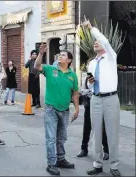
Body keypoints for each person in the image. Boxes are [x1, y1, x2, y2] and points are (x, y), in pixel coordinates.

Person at [83, 19, 121, 177]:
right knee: (95, 133)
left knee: (112, 133)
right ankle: (97, 164)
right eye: (94, 42)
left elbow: (104, 40)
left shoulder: (111, 57)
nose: (96, 43)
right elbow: (91, 84)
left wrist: (91, 29)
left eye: (98, 42)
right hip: (96, 99)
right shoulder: (91, 63)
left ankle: (114, 165)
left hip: (111, 99)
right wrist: (90, 84)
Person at [34, 44, 79, 175]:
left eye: (63, 55)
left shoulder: (73, 75)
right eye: (60, 55)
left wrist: (76, 109)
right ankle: (51, 163)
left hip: (65, 110)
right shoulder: (50, 69)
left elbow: (75, 93)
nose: (60, 56)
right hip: (51, 109)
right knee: (51, 138)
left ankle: (61, 159)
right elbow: (37, 66)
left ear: (69, 60)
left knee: (62, 137)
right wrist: (40, 54)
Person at [77, 76, 109, 160]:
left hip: (100, 104)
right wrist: (90, 91)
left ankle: (106, 150)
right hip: (89, 104)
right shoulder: (87, 78)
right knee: (86, 128)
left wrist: (91, 91)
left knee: (102, 128)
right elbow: (81, 90)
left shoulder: (102, 78)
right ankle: (84, 149)